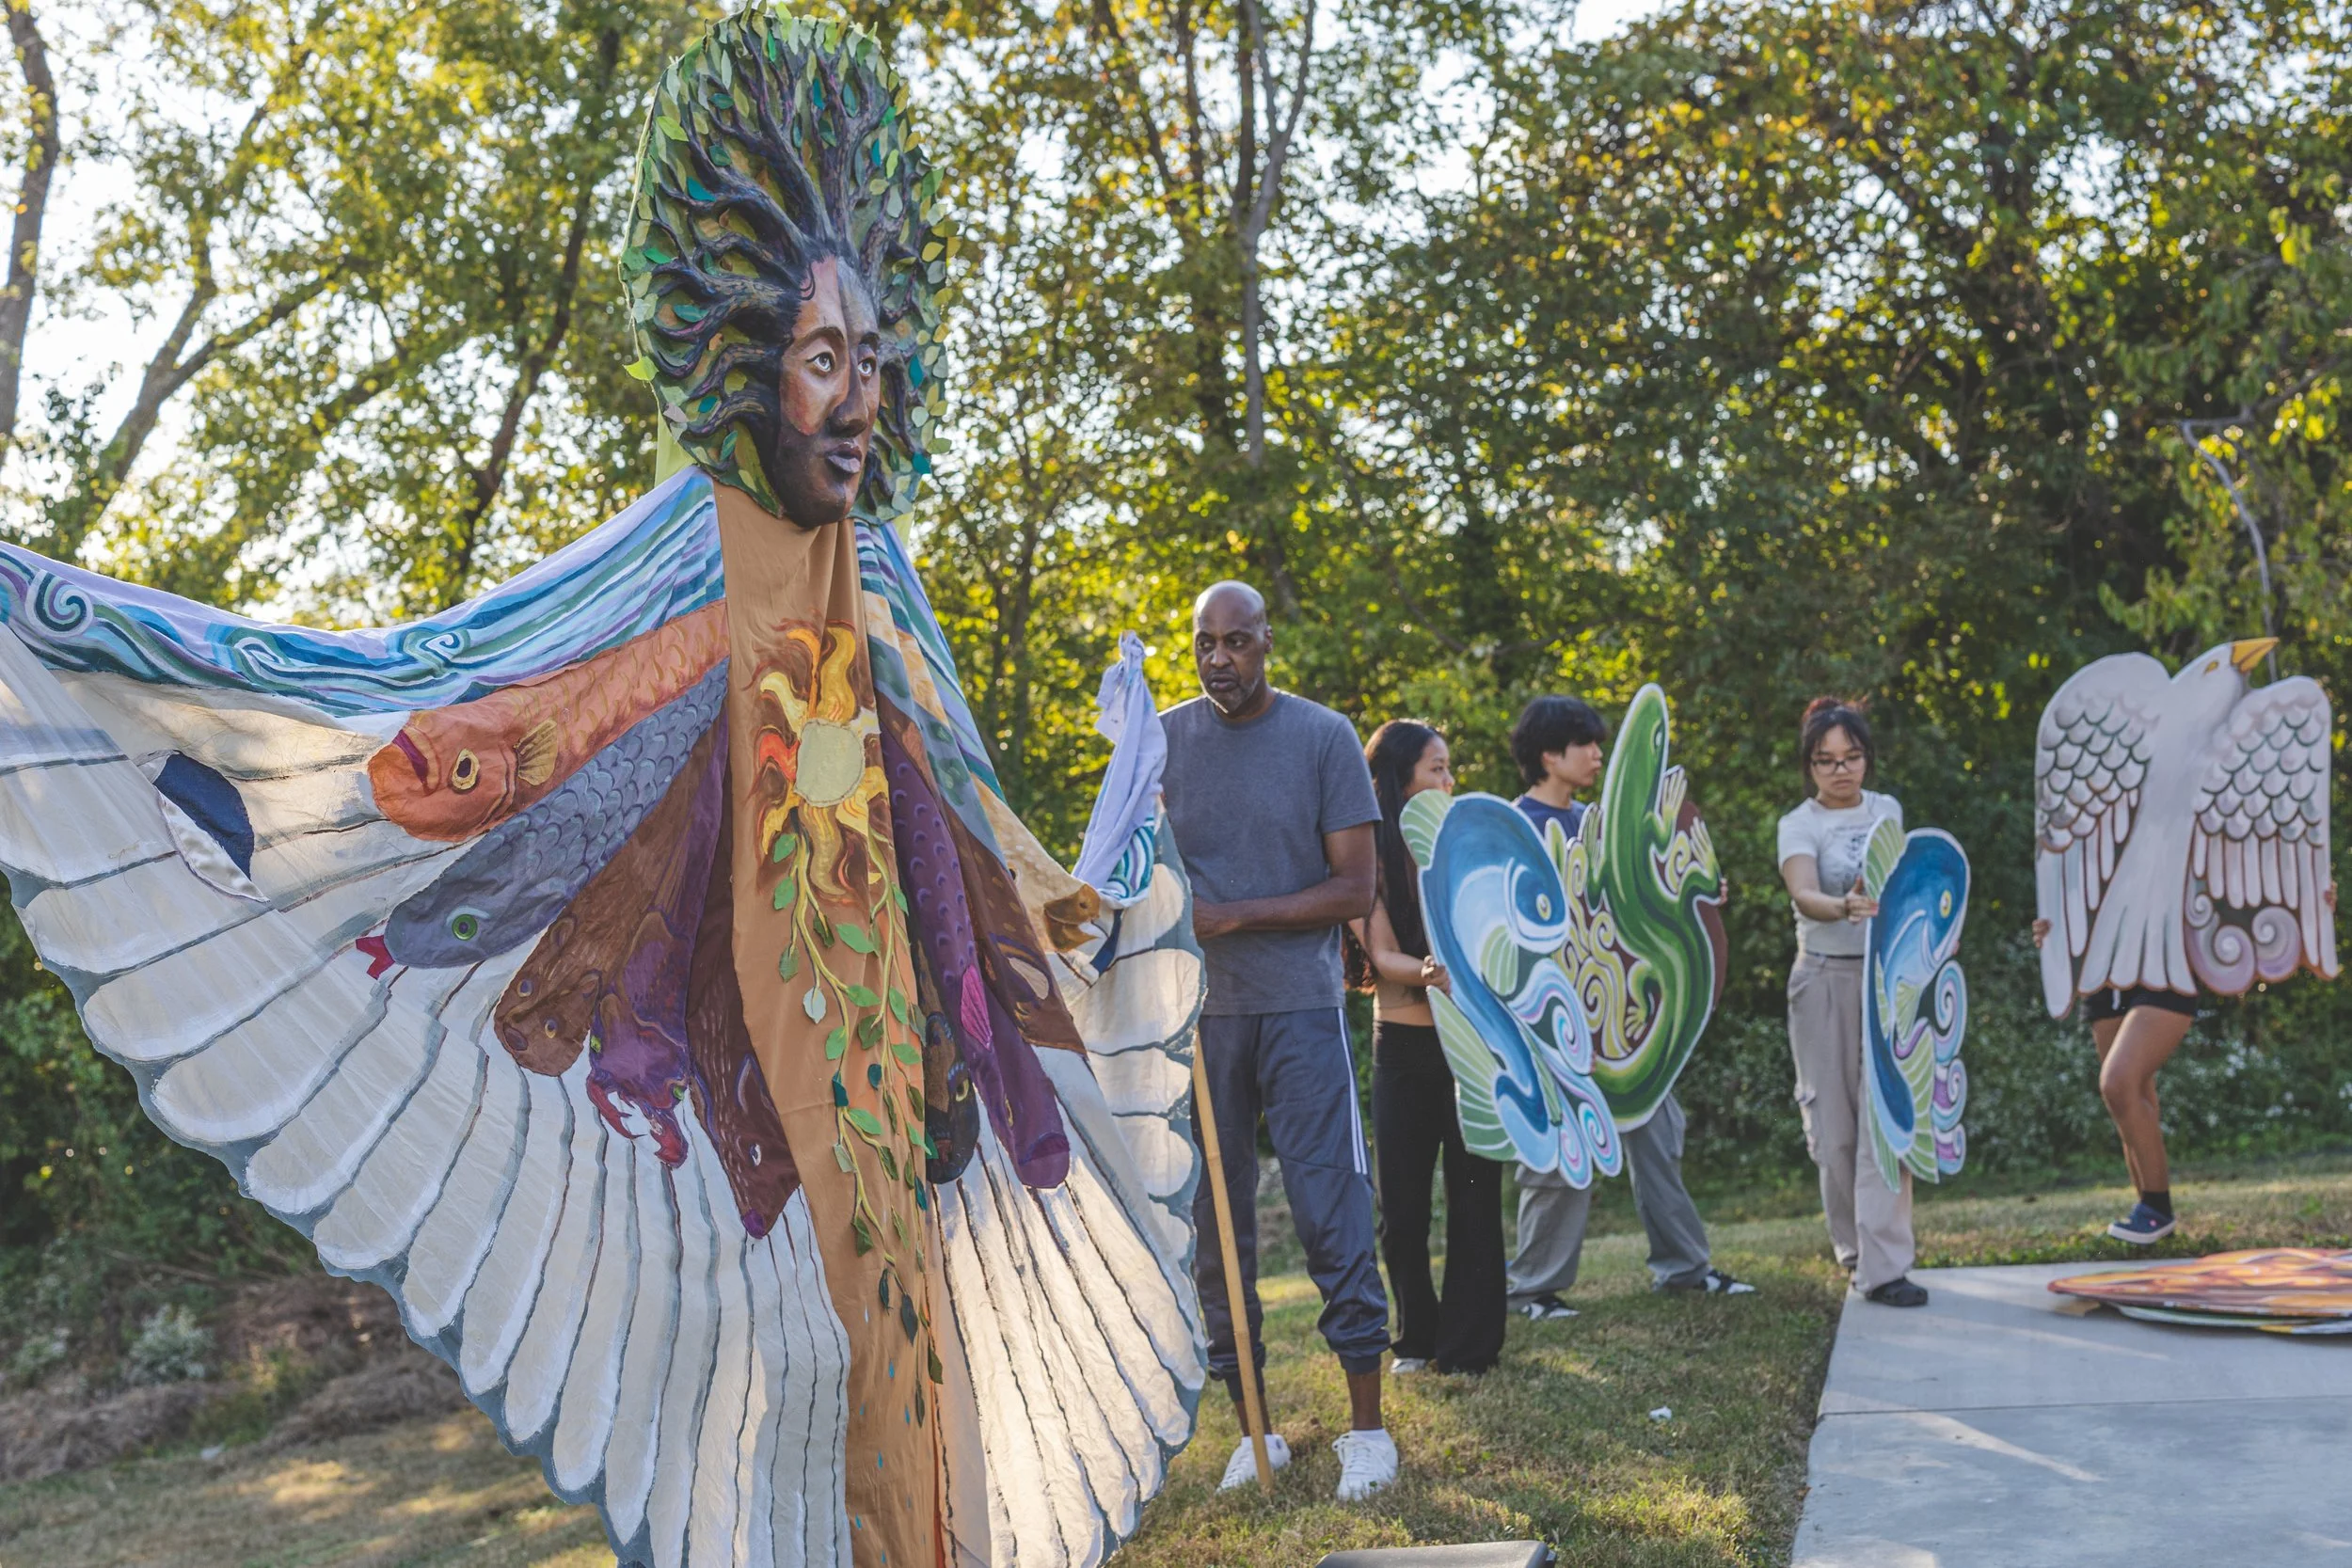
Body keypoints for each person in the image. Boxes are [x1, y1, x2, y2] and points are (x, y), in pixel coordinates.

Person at [1159, 580, 1397, 1500]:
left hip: (1299, 1006)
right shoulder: (1163, 740)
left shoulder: (1323, 736)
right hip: (1198, 1016)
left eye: (1236, 642)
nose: (1219, 659)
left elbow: (1353, 890)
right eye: (1204, 643)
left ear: (1266, 642)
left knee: (1328, 1201)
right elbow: (1127, 862)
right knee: (1214, 1231)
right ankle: (1254, 1432)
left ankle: (1366, 1430)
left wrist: (1234, 916)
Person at [1502, 695, 1754, 1320]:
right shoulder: (1513, 829)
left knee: (1659, 1140)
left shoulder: (1605, 820)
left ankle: (1685, 1269)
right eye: (1583, 744)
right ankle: (1534, 1286)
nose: (1597, 755)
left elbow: (1653, 896)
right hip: (1555, 1023)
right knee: (1560, 1156)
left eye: (1599, 742)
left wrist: (1700, 886)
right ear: (1547, 755)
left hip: (1628, 1022)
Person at [2034, 879, 2336, 1243]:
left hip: (2166, 968)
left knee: (2118, 1082)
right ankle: (2149, 1218)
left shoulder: (2178, 826)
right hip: (2104, 974)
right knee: (2130, 1097)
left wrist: (2309, 908)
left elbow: (2238, 890)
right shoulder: (2099, 826)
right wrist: (2052, 932)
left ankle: (2157, 1211)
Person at [1347, 720, 1508, 1375]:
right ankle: (1417, 1336)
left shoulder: (1467, 853)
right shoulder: (1367, 858)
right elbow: (1382, 953)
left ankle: (1471, 1347)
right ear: (1398, 780)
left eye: (1449, 768)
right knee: (1403, 1210)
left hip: (1471, 1049)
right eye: (1436, 768)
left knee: (1475, 1198)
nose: (1448, 781)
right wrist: (1428, 972)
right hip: (1405, 1054)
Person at [1776, 697, 1928, 1307]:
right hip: (1823, 980)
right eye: (1826, 760)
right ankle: (1854, 1248)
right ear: (1810, 767)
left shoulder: (1886, 810)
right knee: (1834, 1130)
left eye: (1852, 757)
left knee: (1884, 1121)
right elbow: (1804, 892)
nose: (1842, 771)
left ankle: (1887, 1265)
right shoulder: (1798, 823)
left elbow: (1913, 881)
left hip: (1886, 979)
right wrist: (1841, 906)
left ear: (1867, 758)